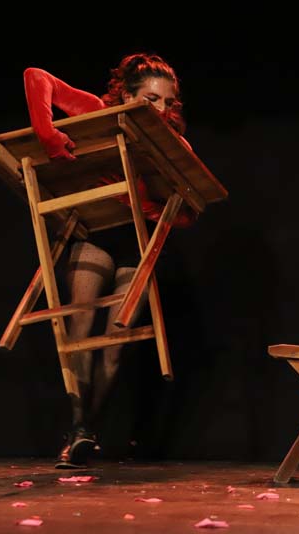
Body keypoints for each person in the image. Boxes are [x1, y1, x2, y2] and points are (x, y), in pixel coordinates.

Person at [22, 52, 198, 469]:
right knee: (80, 325)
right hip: (97, 235)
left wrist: (155, 208)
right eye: (150, 99)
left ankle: (89, 429)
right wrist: (47, 134)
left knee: (115, 346)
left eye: (166, 102)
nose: (159, 109)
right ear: (127, 95)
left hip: (137, 246)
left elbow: (191, 208)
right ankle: (78, 428)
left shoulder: (172, 144)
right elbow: (36, 75)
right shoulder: (99, 112)